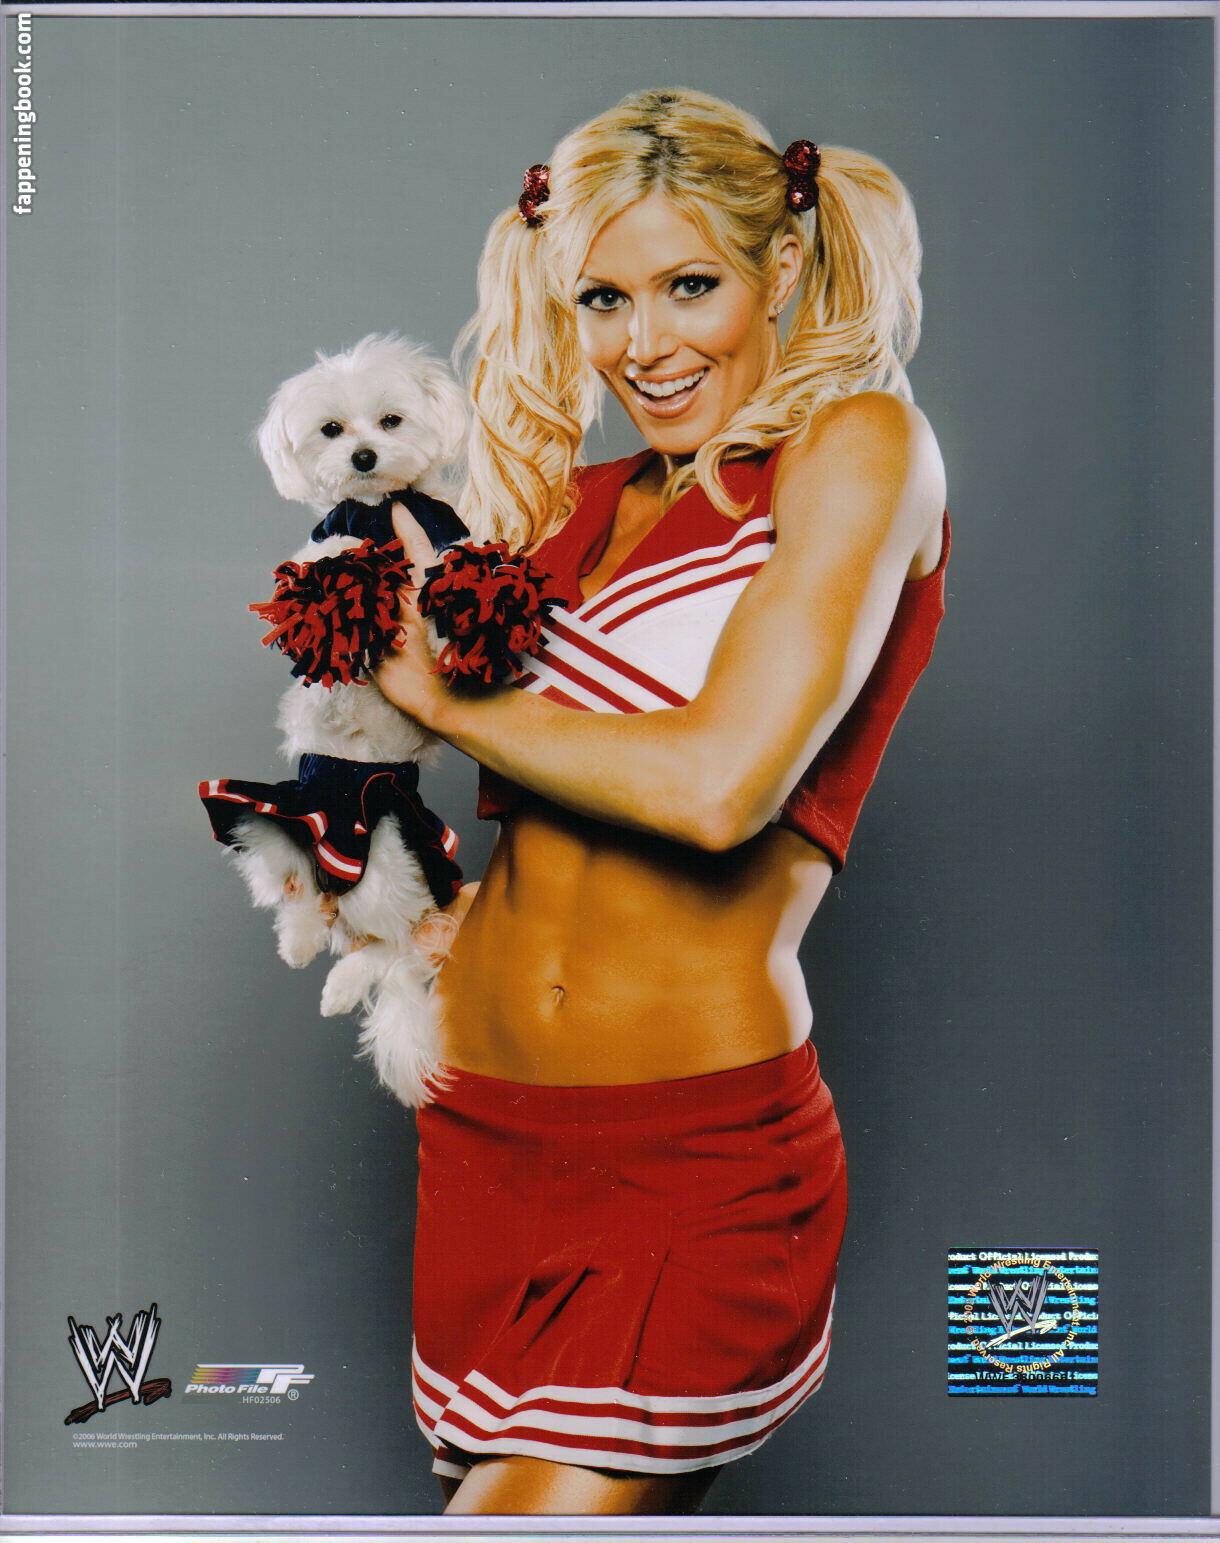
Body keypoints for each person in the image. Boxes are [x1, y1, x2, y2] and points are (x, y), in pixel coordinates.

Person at [373, 86, 948, 1517]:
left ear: (782, 265)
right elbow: (555, 806)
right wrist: (438, 910)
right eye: (605, 299)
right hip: (483, 1140)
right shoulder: (575, 504)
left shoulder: (857, 447)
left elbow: (717, 787)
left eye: (691, 285)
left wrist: (444, 701)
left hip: (686, 1162)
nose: (646, 344)